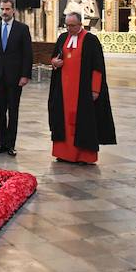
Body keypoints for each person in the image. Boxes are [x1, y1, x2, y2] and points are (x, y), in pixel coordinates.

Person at [48, 13, 116, 164]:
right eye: (67, 25)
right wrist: (54, 62)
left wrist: (95, 89)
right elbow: (54, 57)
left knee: (84, 123)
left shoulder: (90, 40)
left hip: (83, 90)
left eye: (72, 26)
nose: (69, 28)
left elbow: (98, 67)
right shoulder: (62, 38)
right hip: (63, 90)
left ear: (80, 24)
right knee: (63, 121)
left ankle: (84, 156)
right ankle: (64, 153)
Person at [0, 0, 33, 156]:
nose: (4, 12)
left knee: (13, 111)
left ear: (13, 11)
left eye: (7, 9)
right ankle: (1, 143)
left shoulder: (22, 29)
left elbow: (27, 54)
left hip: (15, 77)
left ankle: (11, 144)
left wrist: (25, 75)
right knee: (0, 112)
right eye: (2, 9)